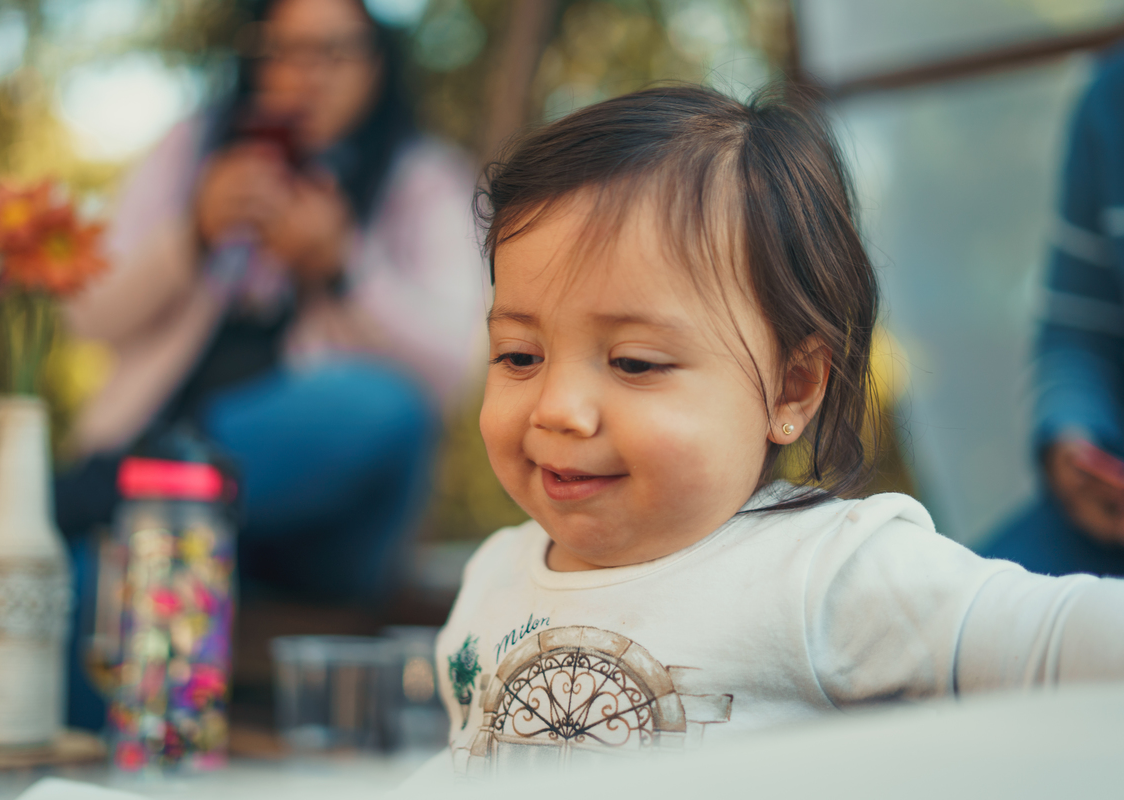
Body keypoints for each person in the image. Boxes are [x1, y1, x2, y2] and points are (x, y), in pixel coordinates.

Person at [429, 85, 1124, 776]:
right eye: (519, 356)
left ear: (791, 388)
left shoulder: (831, 575)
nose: (557, 409)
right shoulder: (493, 577)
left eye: (634, 362)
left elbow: (1059, 636)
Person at [57, 0, 484, 726]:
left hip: (325, 520)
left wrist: (343, 269)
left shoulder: (425, 179)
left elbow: (458, 365)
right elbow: (86, 314)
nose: (304, 75)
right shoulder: (194, 150)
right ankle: (107, 760)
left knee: (380, 404)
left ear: (377, 62)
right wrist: (192, 234)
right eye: (282, 51)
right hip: (168, 518)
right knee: (103, 563)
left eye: (333, 52)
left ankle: (122, 485)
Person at [981, 49, 1124, 576]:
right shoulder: (1108, 104)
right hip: (1108, 518)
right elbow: (1078, 334)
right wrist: (1072, 437)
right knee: (957, 606)